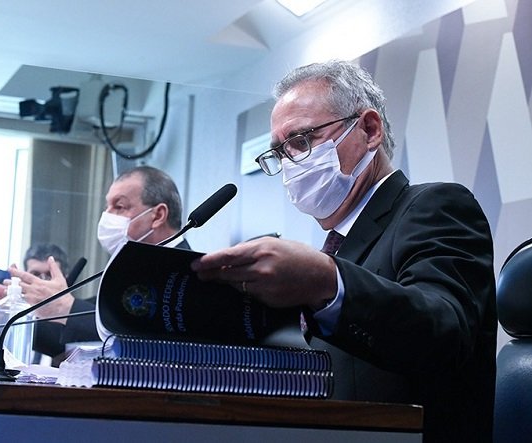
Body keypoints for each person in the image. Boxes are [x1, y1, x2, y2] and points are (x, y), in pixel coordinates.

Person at [190, 60, 496, 443]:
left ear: (369, 130)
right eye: (280, 152)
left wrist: (326, 281)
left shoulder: (435, 206)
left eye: (301, 140)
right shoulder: (337, 245)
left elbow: (446, 333)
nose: (290, 164)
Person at [0, 166, 190, 360]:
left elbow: (145, 342)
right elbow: (74, 335)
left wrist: (65, 307)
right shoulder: (135, 269)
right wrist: (18, 314)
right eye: (107, 206)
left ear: (158, 215)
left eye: (119, 206)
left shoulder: (189, 275)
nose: (107, 216)